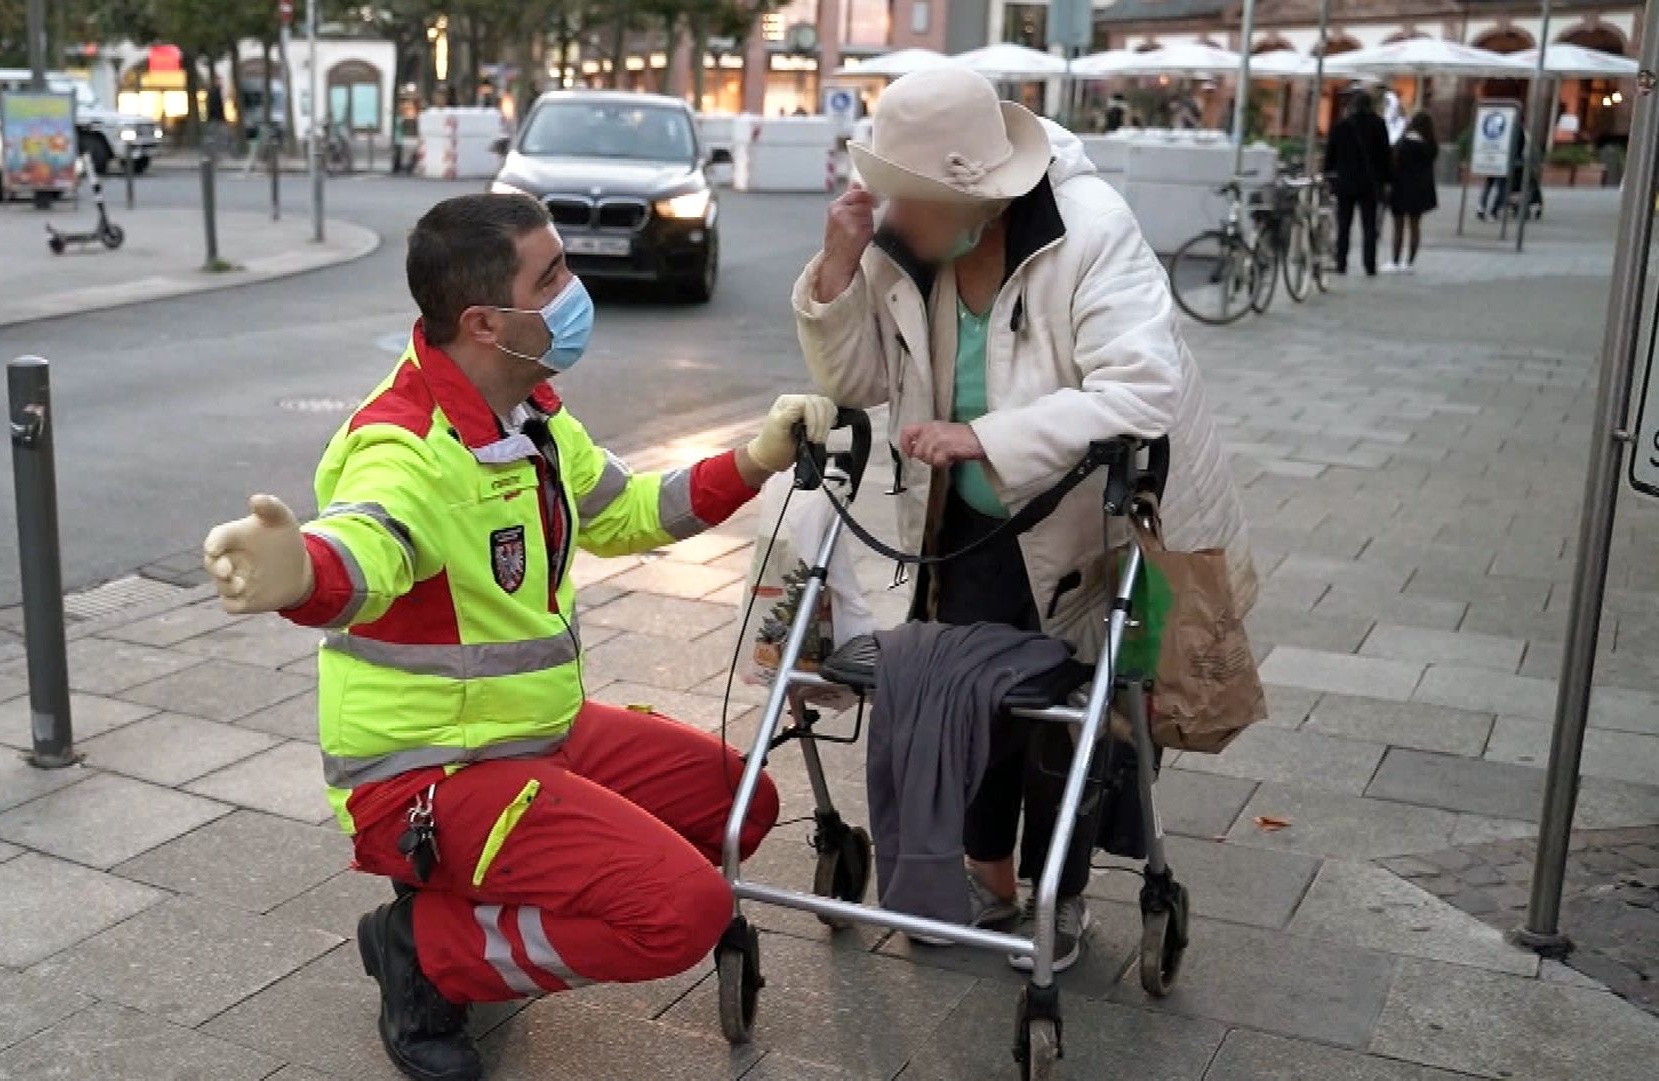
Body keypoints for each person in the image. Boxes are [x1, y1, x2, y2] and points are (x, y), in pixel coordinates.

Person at [198, 193, 819, 1081]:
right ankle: (427, 947)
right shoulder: (405, 443)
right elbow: (367, 543)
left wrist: (754, 457)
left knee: (741, 804)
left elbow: (625, 513)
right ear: (486, 320)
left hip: (532, 735)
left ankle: (478, 899)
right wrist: (299, 572)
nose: (576, 287)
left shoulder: (528, 413)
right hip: (427, 772)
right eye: (554, 274)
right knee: (684, 912)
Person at [792, 68, 1255, 973]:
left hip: (1088, 523)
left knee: (1070, 722)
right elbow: (854, 383)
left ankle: (1059, 891)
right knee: (972, 705)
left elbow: (1143, 388)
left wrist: (984, 436)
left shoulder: (1089, 230)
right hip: (961, 526)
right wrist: (838, 270)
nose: (892, 213)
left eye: (909, 198)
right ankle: (990, 881)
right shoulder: (907, 242)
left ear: (979, 198)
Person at [1324, 89, 1390, 275]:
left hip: (1345, 183)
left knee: (1343, 225)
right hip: (1369, 183)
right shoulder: (1379, 125)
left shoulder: (1341, 126)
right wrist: (1386, 181)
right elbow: (1385, 155)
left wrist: (1328, 175)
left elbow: (1331, 156)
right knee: (1369, 225)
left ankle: (1341, 262)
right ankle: (1369, 264)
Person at [1387, 111, 1438, 273]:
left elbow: (1394, 165)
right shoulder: (1430, 145)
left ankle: (1395, 261)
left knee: (1398, 226)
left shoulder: (1403, 143)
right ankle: (1410, 262)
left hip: (1401, 188)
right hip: (1420, 190)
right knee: (1415, 226)